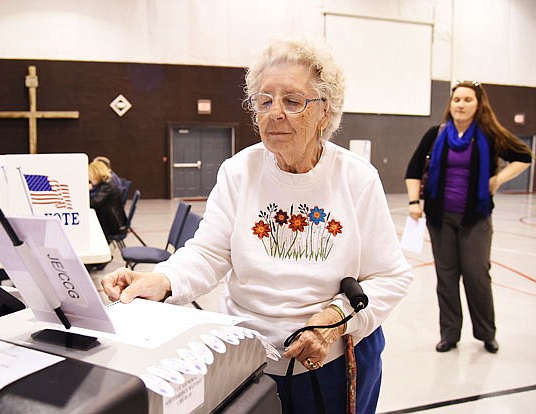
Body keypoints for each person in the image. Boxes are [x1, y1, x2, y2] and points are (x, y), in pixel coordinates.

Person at [102, 37, 413, 414]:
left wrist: (333, 321)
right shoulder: (239, 171)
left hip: (329, 363)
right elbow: (209, 252)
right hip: (247, 360)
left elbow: (391, 277)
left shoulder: (357, 179)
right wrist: (162, 280)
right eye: (264, 101)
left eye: (293, 101)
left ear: (325, 113)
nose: (274, 112)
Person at [405, 81, 533, 354]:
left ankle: (486, 333)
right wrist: (414, 201)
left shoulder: (489, 134)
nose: (460, 105)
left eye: (467, 100)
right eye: (456, 100)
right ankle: (450, 334)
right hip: (441, 217)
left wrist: (498, 179)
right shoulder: (435, 134)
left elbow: (524, 156)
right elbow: (413, 169)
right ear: (450, 105)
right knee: (447, 277)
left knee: (477, 275)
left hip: (475, 217)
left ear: (478, 105)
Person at [88, 160, 127, 238]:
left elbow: (93, 203)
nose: (90, 179)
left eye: (90, 177)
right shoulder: (105, 183)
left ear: (96, 174)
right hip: (111, 220)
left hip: (112, 225)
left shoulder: (106, 186)